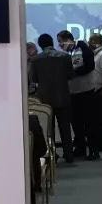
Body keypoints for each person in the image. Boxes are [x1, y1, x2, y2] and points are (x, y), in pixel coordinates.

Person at [30, 34, 75, 162]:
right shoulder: (65, 56)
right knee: (65, 128)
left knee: (49, 129)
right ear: (52, 42)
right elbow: (71, 75)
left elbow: (34, 79)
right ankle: (69, 155)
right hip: (63, 95)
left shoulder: (36, 59)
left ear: (40, 45)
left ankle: (52, 156)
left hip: (44, 98)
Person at [58, 30, 101, 160]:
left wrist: (72, 73)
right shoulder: (68, 53)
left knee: (89, 123)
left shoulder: (83, 48)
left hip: (86, 91)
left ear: (68, 40)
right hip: (73, 93)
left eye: (61, 42)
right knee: (76, 123)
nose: (60, 45)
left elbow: (89, 66)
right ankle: (80, 148)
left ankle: (93, 150)